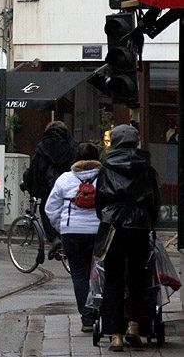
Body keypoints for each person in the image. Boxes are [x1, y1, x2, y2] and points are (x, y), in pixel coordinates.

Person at [95, 124, 161, 352]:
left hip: (114, 225)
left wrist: (106, 220)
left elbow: (99, 201)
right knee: (138, 276)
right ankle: (134, 324)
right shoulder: (147, 168)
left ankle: (115, 334)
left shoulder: (106, 168)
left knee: (113, 278)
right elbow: (154, 201)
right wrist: (149, 222)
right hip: (139, 225)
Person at [44, 142, 101, 333]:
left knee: (79, 274)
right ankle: (101, 314)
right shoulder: (104, 177)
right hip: (98, 233)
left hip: (72, 233)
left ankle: (86, 319)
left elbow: (50, 209)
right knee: (101, 272)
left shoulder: (65, 179)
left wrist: (62, 227)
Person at [22, 121, 78, 245]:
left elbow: (35, 171)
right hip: (70, 187)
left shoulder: (43, 147)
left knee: (45, 210)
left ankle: (54, 239)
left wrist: (28, 183)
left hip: (49, 187)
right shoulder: (72, 146)